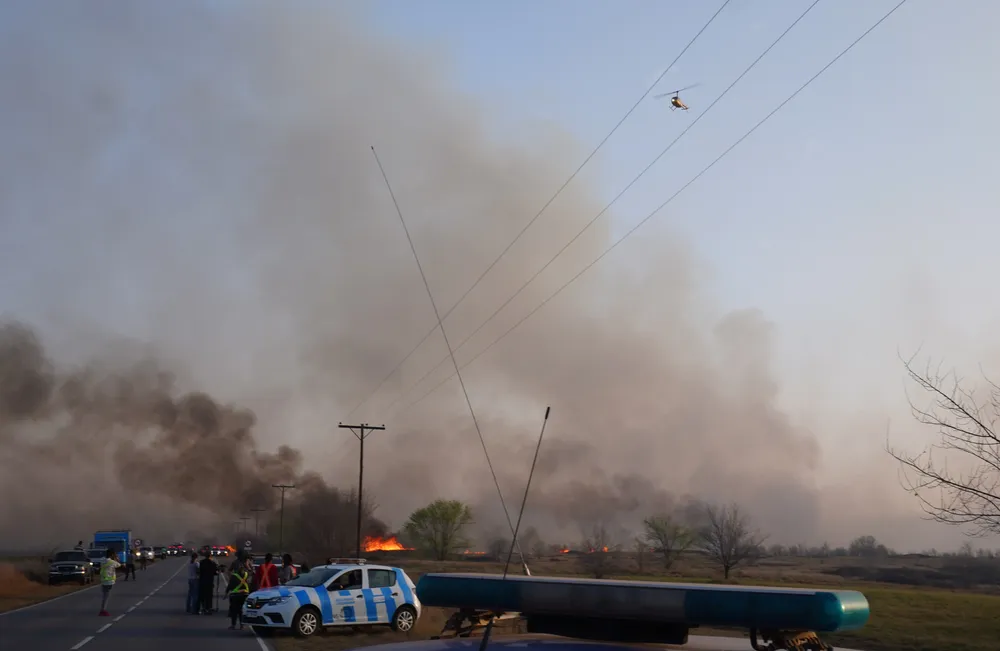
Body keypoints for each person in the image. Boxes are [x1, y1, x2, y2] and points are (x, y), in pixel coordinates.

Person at [226, 556, 255, 630]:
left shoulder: (234, 576)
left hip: (235, 595)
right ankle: (242, 625)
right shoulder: (246, 575)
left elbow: (230, 586)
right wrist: (249, 565)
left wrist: (226, 593)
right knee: (241, 611)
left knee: (234, 611)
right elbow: (252, 572)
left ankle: (233, 625)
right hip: (244, 595)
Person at [98, 548, 120, 616]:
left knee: (104, 596)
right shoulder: (112, 562)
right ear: (112, 555)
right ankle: (103, 610)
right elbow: (119, 565)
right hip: (109, 581)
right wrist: (116, 558)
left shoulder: (102, 560)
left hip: (103, 580)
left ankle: (102, 609)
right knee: (106, 596)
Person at [198, 550, 218, 615]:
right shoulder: (213, 563)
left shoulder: (201, 562)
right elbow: (215, 572)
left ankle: (203, 608)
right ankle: (209, 608)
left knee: (203, 595)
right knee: (209, 596)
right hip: (209, 581)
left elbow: (199, 571)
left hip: (202, 581)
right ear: (210, 556)